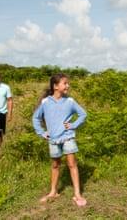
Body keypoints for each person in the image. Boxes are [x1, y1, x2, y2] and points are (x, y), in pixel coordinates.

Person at [32, 73, 87, 207]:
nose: (68, 85)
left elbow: (83, 114)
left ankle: (77, 194)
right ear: (56, 86)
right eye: (65, 83)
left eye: (68, 83)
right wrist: (41, 132)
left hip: (68, 137)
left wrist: (73, 125)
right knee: (55, 165)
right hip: (53, 139)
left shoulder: (70, 101)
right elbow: (35, 118)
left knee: (72, 164)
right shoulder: (45, 102)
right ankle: (53, 192)